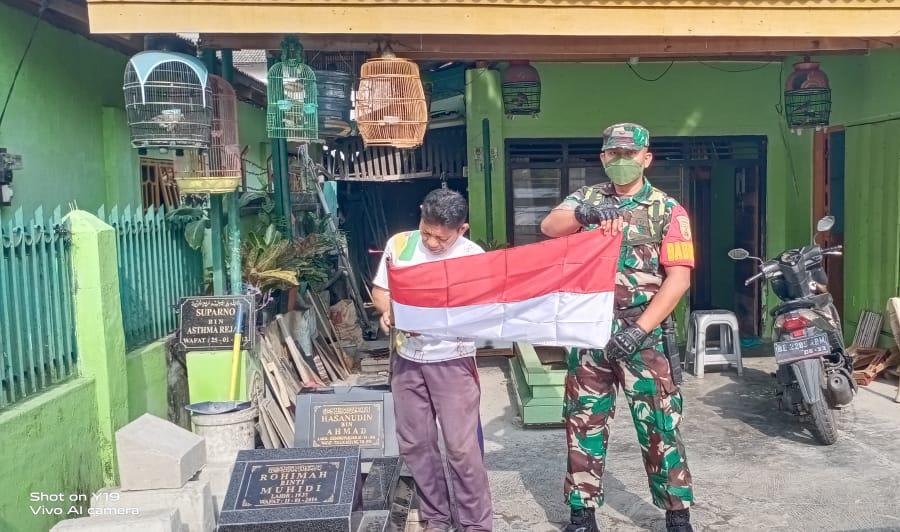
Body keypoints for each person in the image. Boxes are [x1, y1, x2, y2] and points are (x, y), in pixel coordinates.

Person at [541, 123, 696, 532]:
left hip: (644, 336)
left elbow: (678, 278)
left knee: (660, 424)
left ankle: (676, 513)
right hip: (589, 330)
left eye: (630, 155)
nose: (622, 161)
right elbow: (548, 227)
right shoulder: (587, 199)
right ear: (603, 158)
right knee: (583, 421)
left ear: (647, 158)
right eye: (614, 154)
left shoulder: (668, 210)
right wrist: (582, 215)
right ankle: (581, 511)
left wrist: (639, 328)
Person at [372, 188, 493, 532]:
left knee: (461, 448)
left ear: (462, 229)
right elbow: (381, 291)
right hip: (407, 359)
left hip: (452, 360)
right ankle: (436, 518)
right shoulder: (400, 245)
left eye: (442, 237)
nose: (432, 242)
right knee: (416, 444)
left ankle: (476, 524)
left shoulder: (473, 256)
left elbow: (481, 311)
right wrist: (388, 311)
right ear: (420, 217)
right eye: (426, 232)